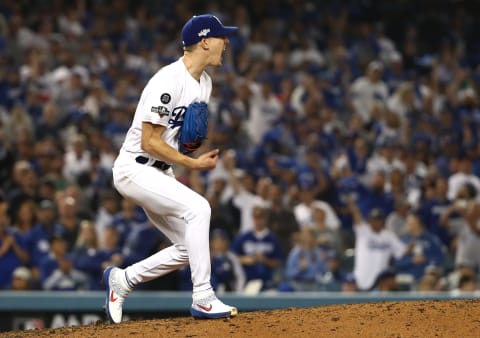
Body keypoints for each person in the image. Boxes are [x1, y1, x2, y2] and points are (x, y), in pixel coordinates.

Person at [103, 14, 239, 323]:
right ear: (205, 41)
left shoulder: (204, 83)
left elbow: (177, 138)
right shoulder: (168, 80)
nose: (227, 42)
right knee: (199, 209)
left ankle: (122, 280)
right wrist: (192, 163)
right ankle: (203, 297)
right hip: (134, 169)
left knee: (189, 246)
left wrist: (190, 148)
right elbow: (150, 141)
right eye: (221, 37)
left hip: (160, 171)